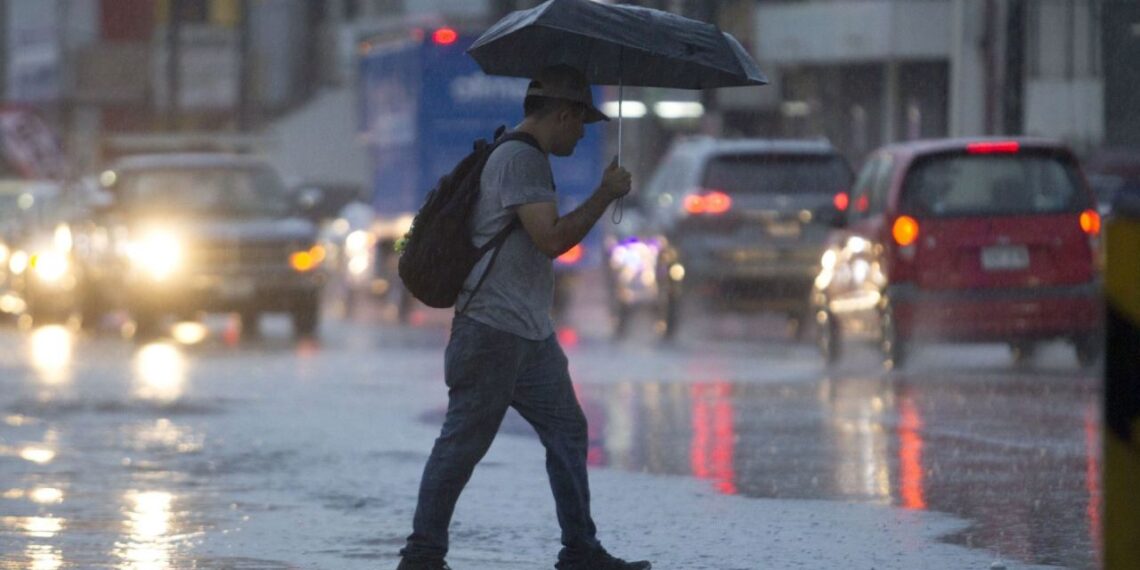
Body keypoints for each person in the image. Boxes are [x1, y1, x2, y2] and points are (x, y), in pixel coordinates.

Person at [397, 65, 650, 570]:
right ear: (561, 114)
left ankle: (580, 550)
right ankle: (422, 557)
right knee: (463, 443)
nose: (582, 135)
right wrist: (605, 194)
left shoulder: (524, 157)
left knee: (568, 430)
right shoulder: (519, 159)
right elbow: (551, 238)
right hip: (492, 330)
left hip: (528, 332)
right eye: (581, 124)